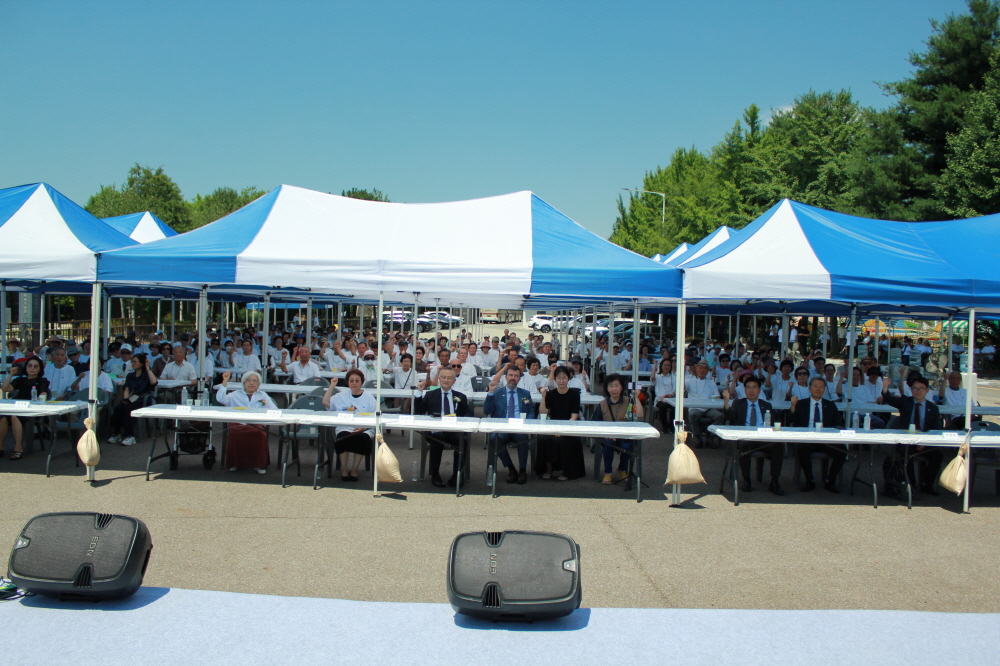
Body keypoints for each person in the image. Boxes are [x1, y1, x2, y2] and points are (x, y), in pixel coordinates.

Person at [880, 375, 944, 499]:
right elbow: (889, 399)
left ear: (927, 390)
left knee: (937, 454)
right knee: (905, 454)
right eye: (915, 388)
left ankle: (927, 484)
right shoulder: (905, 402)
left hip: (924, 442)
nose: (918, 391)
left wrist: (925, 442)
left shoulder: (933, 408)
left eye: (921, 389)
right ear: (911, 389)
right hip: (905, 441)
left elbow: (935, 429)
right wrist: (885, 387)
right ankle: (911, 485)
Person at [722, 376, 783, 495]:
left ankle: (774, 481)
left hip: (764, 437)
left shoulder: (766, 405)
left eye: (754, 387)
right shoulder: (738, 403)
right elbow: (729, 416)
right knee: (744, 445)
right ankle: (746, 480)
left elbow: (773, 424)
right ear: (744, 390)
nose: (751, 390)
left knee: (778, 445)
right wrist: (726, 403)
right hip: (746, 437)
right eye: (748, 388)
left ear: (760, 390)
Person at [415, 367, 472, 487]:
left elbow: (468, 413)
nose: (446, 380)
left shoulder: (460, 397)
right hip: (436, 430)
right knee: (438, 438)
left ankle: (457, 474)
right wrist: (419, 393)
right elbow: (419, 412)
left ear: (454, 381)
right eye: (444, 377)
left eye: (450, 378)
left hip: (454, 429)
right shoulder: (430, 395)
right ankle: (435, 474)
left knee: (463, 440)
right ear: (439, 379)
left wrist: (459, 421)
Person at [790, 377, 846, 492]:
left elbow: (839, 423)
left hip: (826, 439)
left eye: (821, 387)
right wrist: (793, 406)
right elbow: (792, 421)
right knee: (801, 449)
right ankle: (810, 480)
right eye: (815, 386)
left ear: (824, 390)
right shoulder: (801, 404)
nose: (818, 389)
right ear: (810, 388)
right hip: (807, 439)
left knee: (842, 450)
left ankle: (830, 480)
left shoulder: (830, 405)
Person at [483, 366, 536, 484]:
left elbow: (531, 410)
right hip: (502, 428)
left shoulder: (525, 394)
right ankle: (511, 469)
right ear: (506, 377)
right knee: (493, 438)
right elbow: (487, 411)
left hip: (519, 427)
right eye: (511, 375)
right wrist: (490, 393)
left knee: (523, 438)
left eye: (516, 376)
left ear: (519, 379)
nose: (513, 378)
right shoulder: (497, 392)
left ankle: (522, 470)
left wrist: (529, 423)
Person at [322, 369, 377, 482]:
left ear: (361, 382)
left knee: (362, 438)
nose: (354, 383)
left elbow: (375, 416)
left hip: (364, 427)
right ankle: (344, 469)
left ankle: (354, 469)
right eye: (351, 380)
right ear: (348, 382)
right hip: (345, 426)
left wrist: (364, 427)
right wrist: (332, 386)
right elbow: (325, 402)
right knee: (343, 437)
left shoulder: (369, 397)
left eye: (357, 380)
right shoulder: (341, 395)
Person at [594, 373, 643, 485]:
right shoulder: (602, 403)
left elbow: (640, 414)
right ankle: (608, 472)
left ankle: (622, 469)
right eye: (611, 386)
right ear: (607, 388)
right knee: (607, 444)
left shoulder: (629, 401)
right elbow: (595, 423)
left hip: (625, 436)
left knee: (628, 446)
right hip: (607, 436)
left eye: (617, 386)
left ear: (622, 387)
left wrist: (636, 397)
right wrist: (605, 433)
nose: (614, 389)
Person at [537, 366, 585, 481]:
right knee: (544, 439)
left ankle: (566, 471)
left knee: (562, 440)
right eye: (559, 378)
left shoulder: (574, 394)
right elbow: (543, 412)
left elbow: (574, 416)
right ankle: (548, 469)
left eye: (564, 378)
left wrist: (562, 430)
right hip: (553, 425)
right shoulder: (551, 394)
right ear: (555, 379)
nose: (561, 381)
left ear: (568, 379)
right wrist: (543, 397)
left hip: (569, 426)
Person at [0, 356, 50, 460]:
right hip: (17, 407)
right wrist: (11, 374)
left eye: (35, 366)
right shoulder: (20, 380)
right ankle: (1, 446)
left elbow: (43, 393)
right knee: (4, 417)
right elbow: (5, 388)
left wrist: (42, 395)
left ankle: (18, 448)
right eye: (30, 366)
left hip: (31, 410)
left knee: (14, 417)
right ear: (26, 367)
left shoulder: (42, 381)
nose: (32, 368)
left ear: (39, 369)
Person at [109, 352, 158, 447]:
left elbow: (154, 382)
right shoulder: (130, 375)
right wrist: (125, 399)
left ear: (141, 363)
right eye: (132, 362)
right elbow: (127, 388)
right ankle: (117, 433)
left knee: (128, 409)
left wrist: (148, 368)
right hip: (131, 399)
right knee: (118, 408)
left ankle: (130, 436)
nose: (133, 363)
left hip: (143, 399)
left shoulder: (146, 374)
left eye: (135, 362)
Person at [684, 361, 722, 448]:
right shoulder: (689, 380)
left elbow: (717, 397)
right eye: (700, 368)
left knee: (720, 416)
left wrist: (719, 404)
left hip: (709, 408)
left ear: (708, 371)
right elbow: (683, 387)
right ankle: (698, 438)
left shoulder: (711, 383)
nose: (702, 370)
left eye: (704, 368)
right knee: (692, 415)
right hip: (695, 408)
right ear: (696, 369)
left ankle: (710, 438)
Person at [653, 356, 676, 432]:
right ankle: (664, 426)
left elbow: (675, 389)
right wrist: (654, 366)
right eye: (665, 365)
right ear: (661, 366)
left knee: (675, 407)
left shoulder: (673, 377)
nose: (666, 367)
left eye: (668, 365)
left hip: (671, 398)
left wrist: (672, 394)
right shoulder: (657, 376)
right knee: (662, 406)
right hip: (660, 399)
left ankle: (672, 426)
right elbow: (652, 377)